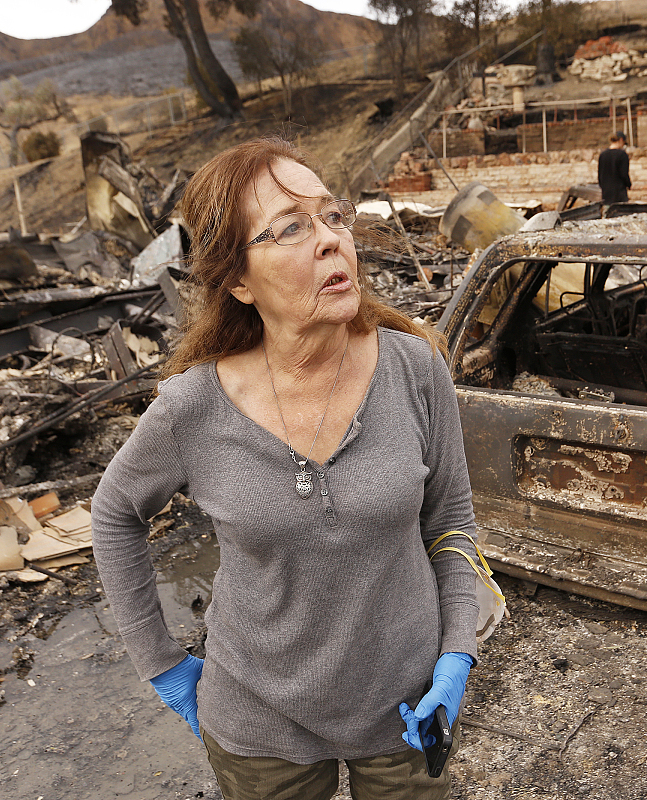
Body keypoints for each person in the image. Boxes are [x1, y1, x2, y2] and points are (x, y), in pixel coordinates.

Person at [91, 136, 481, 800]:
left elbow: (452, 525)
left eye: (334, 217)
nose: (332, 241)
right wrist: (161, 664)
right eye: (292, 228)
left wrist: (456, 653)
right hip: (258, 724)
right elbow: (114, 514)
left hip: (409, 711)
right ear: (238, 279)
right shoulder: (194, 407)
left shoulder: (416, 369)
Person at [597, 130, 631, 204]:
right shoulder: (622, 155)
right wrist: (629, 184)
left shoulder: (603, 155)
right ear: (621, 140)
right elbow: (624, 174)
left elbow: (600, 175)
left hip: (606, 193)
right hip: (619, 193)